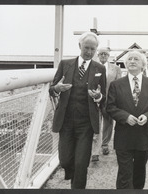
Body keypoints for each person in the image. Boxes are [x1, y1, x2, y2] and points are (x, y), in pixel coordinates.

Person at [49, 31, 106, 189]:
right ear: (79, 45)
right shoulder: (64, 64)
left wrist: (98, 96)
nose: (88, 52)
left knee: (81, 163)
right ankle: (71, 171)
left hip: (86, 122)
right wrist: (57, 88)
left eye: (92, 49)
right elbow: (51, 89)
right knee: (65, 160)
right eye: (86, 48)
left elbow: (104, 97)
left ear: (96, 50)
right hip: (65, 120)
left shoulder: (100, 68)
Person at [106, 51, 148, 189]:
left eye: (136, 59)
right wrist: (124, 117)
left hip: (143, 136)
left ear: (143, 64)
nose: (132, 61)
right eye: (129, 59)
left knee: (139, 173)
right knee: (124, 174)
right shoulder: (116, 85)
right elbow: (110, 107)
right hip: (123, 136)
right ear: (126, 64)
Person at [91, 47, 122, 161]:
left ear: (109, 56)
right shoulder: (92, 66)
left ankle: (105, 144)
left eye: (105, 54)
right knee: (95, 124)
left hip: (109, 100)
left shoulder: (116, 69)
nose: (103, 56)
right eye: (101, 54)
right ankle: (95, 151)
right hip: (95, 100)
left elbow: (119, 85)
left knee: (108, 123)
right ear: (98, 55)